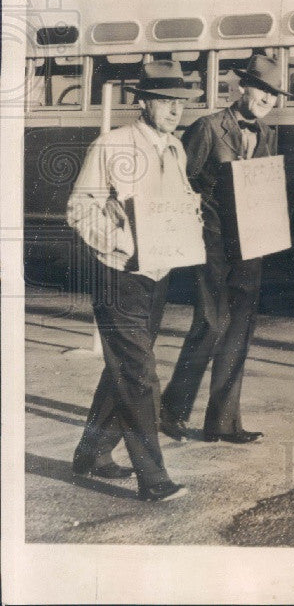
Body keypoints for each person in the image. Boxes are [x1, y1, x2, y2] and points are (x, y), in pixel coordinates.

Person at [68, 60, 202, 502]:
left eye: (179, 102)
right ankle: (154, 479)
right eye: (164, 101)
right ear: (143, 102)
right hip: (119, 276)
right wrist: (124, 243)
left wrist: (190, 214)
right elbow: (80, 210)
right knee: (140, 374)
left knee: (124, 367)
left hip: (157, 274)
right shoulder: (112, 145)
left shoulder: (176, 149)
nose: (173, 110)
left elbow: (173, 202)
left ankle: (92, 453)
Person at [160, 54, 288, 444]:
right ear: (242, 87)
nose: (267, 99)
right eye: (262, 89)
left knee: (239, 328)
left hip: (251, 242)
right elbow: (180, 183)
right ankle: (170, 410)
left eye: (273, 93)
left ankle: (224, 422)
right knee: (212, 324)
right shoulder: (207, 128)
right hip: (212, 241)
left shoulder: (266, 134)